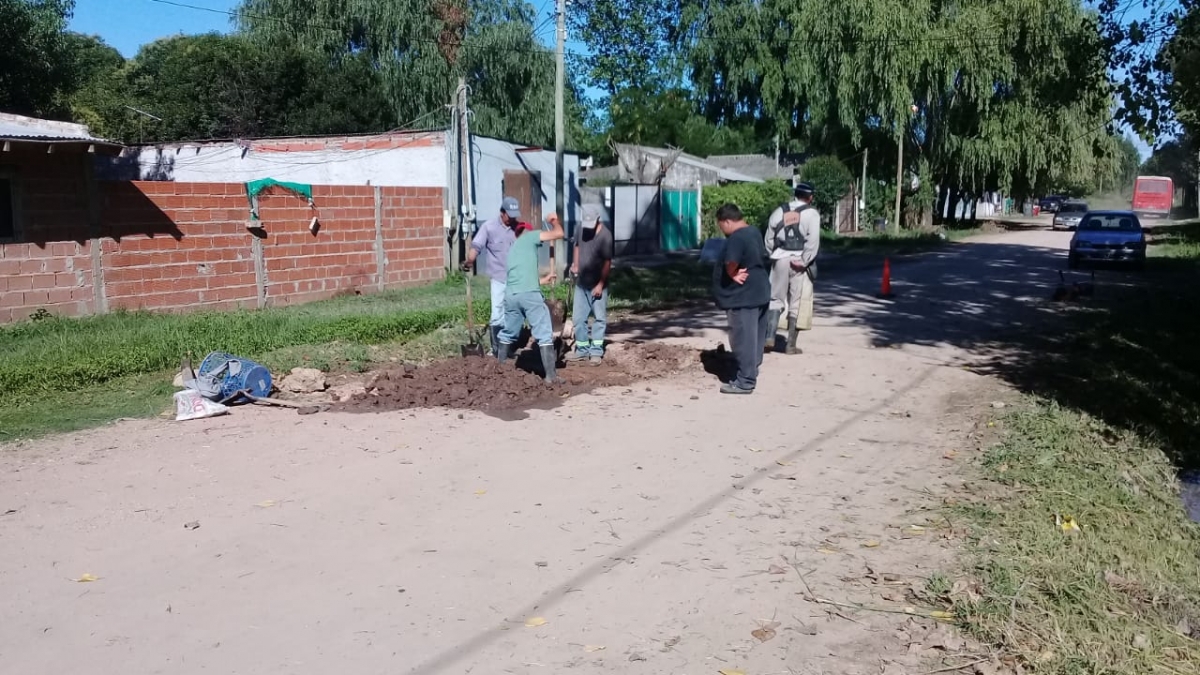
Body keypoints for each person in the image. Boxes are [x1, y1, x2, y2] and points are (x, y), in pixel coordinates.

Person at [497, 212, 565, 383]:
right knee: (544, 333)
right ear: (528, 232)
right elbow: (558, 234)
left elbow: (522, 282)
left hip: (511, 296)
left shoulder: (513, 248)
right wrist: (554, 221)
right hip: (529, 296)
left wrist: (543, 280)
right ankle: (551, 376)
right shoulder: (531, 237)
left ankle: (498, 370)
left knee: (509, 333)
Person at [712, 203, 771, 395]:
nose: (722, 231)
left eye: (721, 225)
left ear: (727, 221)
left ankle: (745, 381)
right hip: (760, 291)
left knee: (743, 338)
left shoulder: (736, 238)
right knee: (756, 336)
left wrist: (732, 274)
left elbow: (731, 261)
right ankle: (752, 369)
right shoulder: (753, 231)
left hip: (743, 296)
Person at [764, 182, 821, 354]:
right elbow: (813, 242)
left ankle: (769, 337)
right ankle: (790, 345)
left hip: (779, 258)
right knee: (795, 301)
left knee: (775, 298)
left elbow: (768, 238)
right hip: (798, 261)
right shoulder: (812, 214)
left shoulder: (779, 211)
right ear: (810, 197)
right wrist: (804, 261)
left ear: (795, 194)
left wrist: (773, 255)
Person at [463, 196, 523, 356]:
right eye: (509, 215)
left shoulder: (519, 229)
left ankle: (509, 347)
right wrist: (470, 261)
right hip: (498, 278)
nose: (512, 219)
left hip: (516, 279)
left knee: (514, 313)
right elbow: (477, 246)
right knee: (497, 315)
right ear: (502, 213)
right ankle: (497, 350)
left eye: (514, 216)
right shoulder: (488, 227)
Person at [566, 204, 614, 365]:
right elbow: (577, 247)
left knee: (599, 319)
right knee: (579, 319)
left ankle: (596, 352)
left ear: (598, 219)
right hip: (582, 284)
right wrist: (575, 264)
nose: (588, 228)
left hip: (598, 284)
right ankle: (582, 350)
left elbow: (608, 263)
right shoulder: (581, 228)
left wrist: (600, 284)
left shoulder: (606, 236)